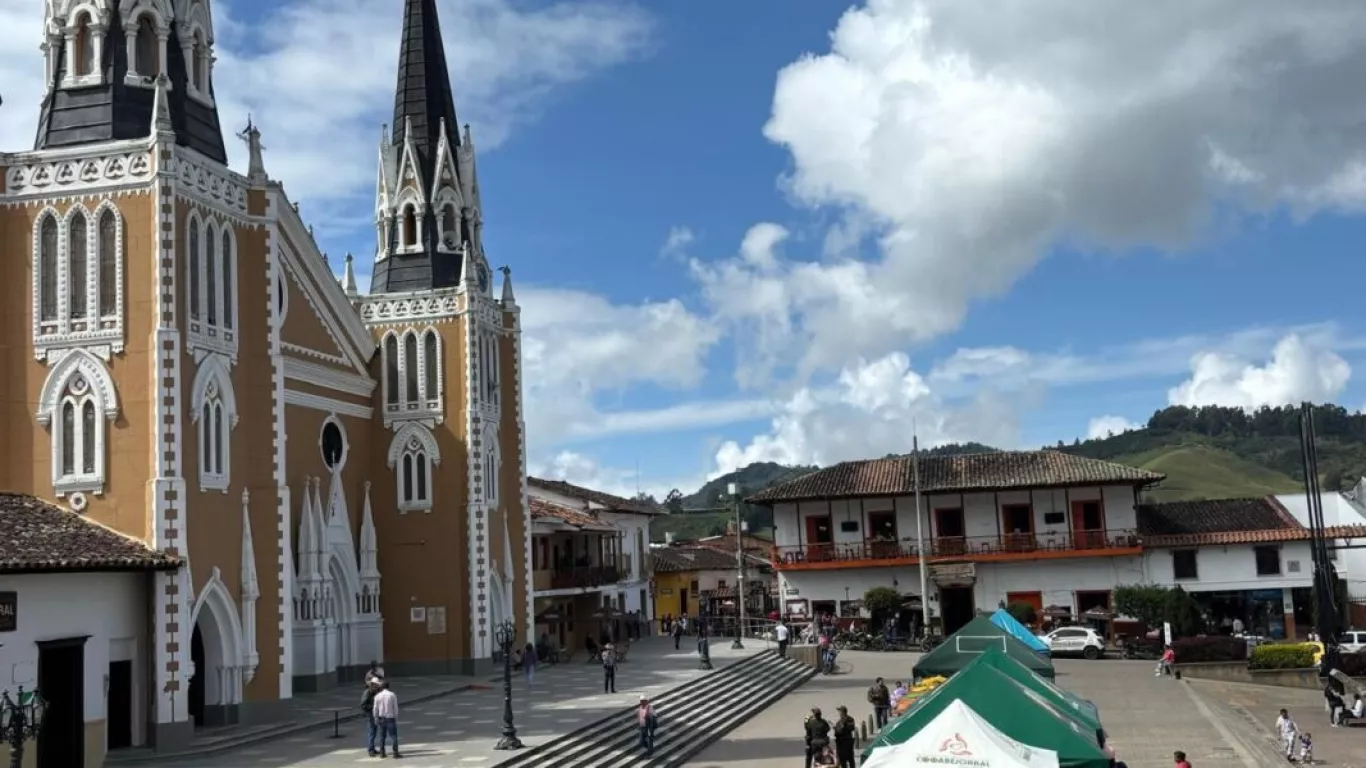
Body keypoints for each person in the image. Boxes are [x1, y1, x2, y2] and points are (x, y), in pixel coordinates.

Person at [372, 680, 401, 759]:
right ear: (388, 686)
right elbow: (395, 707)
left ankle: (382, 752)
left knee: (382, 736)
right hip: (390, 717)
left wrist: (375, 717)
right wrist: (395, 716)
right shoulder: (392, 695)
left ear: (382, 687)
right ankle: (395, 752)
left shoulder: (377, 696)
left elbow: (375, 708)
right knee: (394, 736)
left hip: (381, 718)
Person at [360, 679, 380, 757]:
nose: (377, 686)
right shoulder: (367, 692)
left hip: (375, 715)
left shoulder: (375, 692)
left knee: (374, 733)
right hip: (369, 715)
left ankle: (373, 748)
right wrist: (373, 707)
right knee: (371, 733)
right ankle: (370, 750)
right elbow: (363, 705)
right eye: (375, 685)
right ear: (372, 685)